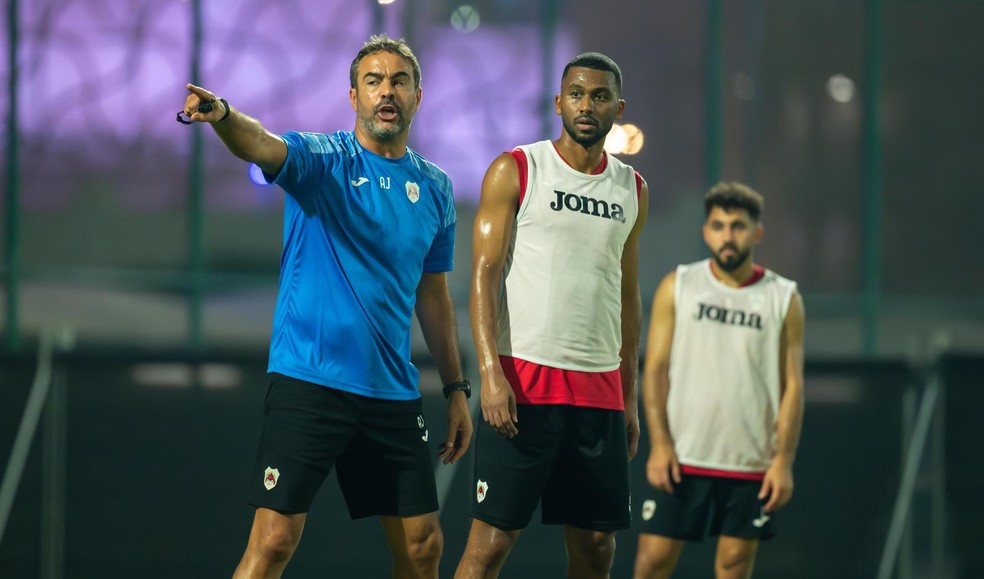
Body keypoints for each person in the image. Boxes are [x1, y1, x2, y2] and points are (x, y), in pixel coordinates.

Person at [178, 34, 473, 579]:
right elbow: (261, 145)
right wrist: (222, 114)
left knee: (423, 546)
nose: (387, 91)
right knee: (273, 543)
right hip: (310, 382)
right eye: (374, 81)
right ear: (354, 96)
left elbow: (433, 295)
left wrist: (456, 390)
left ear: (418, 96)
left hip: (391, 392)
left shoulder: (435, 188)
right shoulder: (322, 160)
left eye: (399, 81)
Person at [454, 52, 649, 579]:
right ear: (559, 102)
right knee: (489, 545)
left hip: (600, 393)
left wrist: (629, 397)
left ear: (618, 107)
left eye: (600, 96)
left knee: (596, 550)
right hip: (523, 385)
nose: (588, 105)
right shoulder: (517, 168)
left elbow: (626, 295)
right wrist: (489, 374)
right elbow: (483, 276)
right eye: (578, 94)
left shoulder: (631, 189)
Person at [632, 182, 806, 579]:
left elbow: (793, 384)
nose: (728, 235)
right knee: (651, 562)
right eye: (719, 225)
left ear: (756, 232)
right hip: (682, 457)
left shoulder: (784, 298)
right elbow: (655, 369)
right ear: (706, 231)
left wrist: (783, 460)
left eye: (738, 226)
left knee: (733, 567)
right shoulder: (679, 286)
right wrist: (660, 445)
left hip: (751, 462)